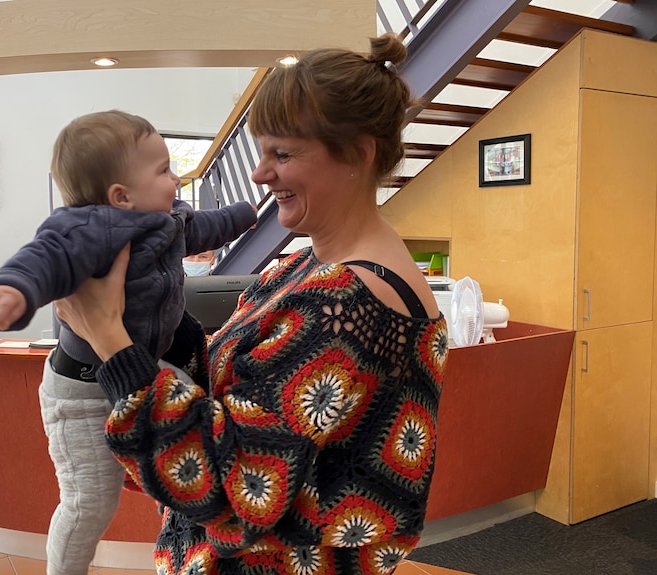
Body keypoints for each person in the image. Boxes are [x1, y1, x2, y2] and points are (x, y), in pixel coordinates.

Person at [53, 34, 449, 575]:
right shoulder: (305, 269)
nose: (261, 174)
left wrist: (111, 342)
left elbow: (233, 487)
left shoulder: (349, 301)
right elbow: (227, 396)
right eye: (262, 152)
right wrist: (140, 310)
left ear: (358, 154)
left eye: (282, 154)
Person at [0, 110, 257, 575]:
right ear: (121, 196)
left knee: (193, 419)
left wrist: (242, 216)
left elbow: (205, 227)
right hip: (82, 391)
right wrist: (11, 290)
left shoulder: (168, 220)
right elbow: (42, 260)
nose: (176, 177)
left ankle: (196, 534)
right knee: (89, 503)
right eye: (164, 170)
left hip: (144, 366)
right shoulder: (84, 229)